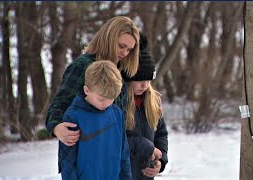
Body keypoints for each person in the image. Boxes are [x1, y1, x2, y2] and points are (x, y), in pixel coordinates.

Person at [45, 15, 139, 174]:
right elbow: (60, 103)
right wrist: (56, 127)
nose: (124, 52)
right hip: (84, 163)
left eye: (129, 49)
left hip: (110, 164)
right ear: (109, 38)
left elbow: (120, 125)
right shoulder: (83, 66)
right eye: (121, 46)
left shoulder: (120, 74)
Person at [60, 60, 131, 179]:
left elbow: (124, 154)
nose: (108, 103)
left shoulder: (117, 114)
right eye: (102, 99)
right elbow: (67, 161)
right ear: (87, 90)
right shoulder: (73, 116)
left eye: (112, 98)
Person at [121, 35, 168, 180]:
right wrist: (144, 145)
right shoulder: (118, 103)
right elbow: (117, 139)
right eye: (140, 80)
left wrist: (160, 161)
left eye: (148, 80)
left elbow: (161, 134)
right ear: (128, 78)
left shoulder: (153, 101)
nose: (145, 85)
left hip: (146, 175)